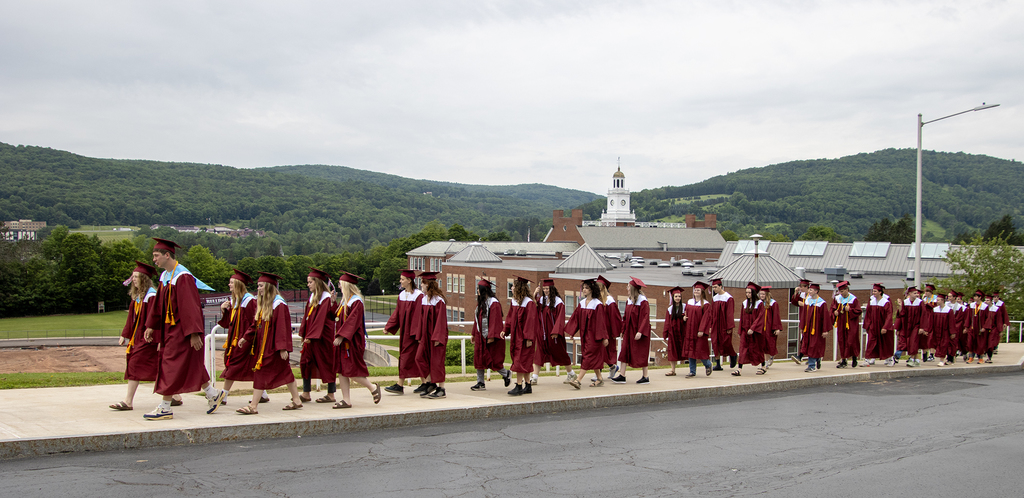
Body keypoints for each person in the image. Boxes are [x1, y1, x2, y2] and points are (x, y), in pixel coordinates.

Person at [142, 238, 225, 420]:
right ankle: (213, 394)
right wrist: (150, 325)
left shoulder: (183, 276)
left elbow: (190, 307)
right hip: (169, 330)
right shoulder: (165, 277)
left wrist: (194, 333)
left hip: (182, 331)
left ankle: (165, 407)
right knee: (192, 364)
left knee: (169, 365)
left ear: (167, 255)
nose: (154, 260)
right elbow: (158, 306)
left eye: (156, 256)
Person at [235, 272, 303, 414]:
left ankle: (253, 406)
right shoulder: (265, 304)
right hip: (264, 346)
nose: (258, 289)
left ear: (269, 287)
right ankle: (296, 400)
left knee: (260, 372)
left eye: (261, 286)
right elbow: (255, 324)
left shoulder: (279, 304)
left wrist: (283, 348)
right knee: (286, 372)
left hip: (273, 347)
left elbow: (282, 327)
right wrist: (245, 337)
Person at [110, 261, 164, 411]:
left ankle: (128, 401)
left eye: (136, 277)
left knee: (135, 364)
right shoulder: (138, 297)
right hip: (138, 338)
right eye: (132, 277)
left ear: (144, 278)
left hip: (149, 339)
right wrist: (125, 335)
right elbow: (131, 319)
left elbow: (157, 318)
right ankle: (175, 396)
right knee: (158, 367)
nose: (133, 279)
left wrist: (159, 339)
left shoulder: (151, 296)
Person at [217, 269, 267, 405]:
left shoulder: (249, 301)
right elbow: (230, 324)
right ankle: (263, 393)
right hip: (236, 340)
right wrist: (224, 310)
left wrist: (246, 337)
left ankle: (223, 395)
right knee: (251, 366)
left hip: (246, 341)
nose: (229, 285)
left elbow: (255, 321)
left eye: (232, 282)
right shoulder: (236, 301)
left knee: (233, 366)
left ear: (239, 284)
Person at [331, 272, 381, 408]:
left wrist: (341, 335)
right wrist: (332, 303)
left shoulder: (356, 301)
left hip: (351, 342)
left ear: (347, 285)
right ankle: (346, 400)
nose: (340, 288)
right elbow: (336, 318)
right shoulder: (344, 301)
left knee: (350, 371)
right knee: (341, 371)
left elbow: (352, 322)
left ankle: (372, 387)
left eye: (341, 285)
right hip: (343, 342)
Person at [297, 268, 337, 404]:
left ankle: (331, 394)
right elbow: (307, 318)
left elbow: (320, 319)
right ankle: (306, 393)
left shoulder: (325, 297)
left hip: (322, 338)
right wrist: (303, 332)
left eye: (310, 282)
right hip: (311, 337)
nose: (308, 285)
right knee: (305, 363)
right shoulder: (313, 297)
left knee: (326, 363)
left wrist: (311, 335)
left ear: (318, 282)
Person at [383, 270, 425, 394]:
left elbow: (418, 316)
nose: (400, 281)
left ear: (409, 280)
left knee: (408, 357)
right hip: (405, 333)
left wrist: (416, 333)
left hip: (413, 334)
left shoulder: (418, 295)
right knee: (411, 358)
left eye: (402, 279)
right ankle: (424, 383)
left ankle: (400, 385)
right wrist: (388, 327)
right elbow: (397, 313)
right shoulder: (402, 295)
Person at [565, 278, 608, 388]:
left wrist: (604, 337)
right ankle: (599, 379)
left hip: (594, 336)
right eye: (583, 288)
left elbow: (601, 322)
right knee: (590, 357)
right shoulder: (582, 303)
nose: (584, 290)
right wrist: (572, 332)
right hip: (584, 335)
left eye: (586, 288)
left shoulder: (597, 304)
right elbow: (576, 319)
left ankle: (578, 381)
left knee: (587, 356)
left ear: (592, 290)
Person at [470, 279, 511, 391]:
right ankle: (480, 382)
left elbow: (495, 321)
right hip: (480, 336)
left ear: (484, 290)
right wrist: (474, 333)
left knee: (493, 360)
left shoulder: (493, 303)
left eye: (478, 289)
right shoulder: (482, 303)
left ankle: (506, 373)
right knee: (479, 360)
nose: (477, 291)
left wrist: (491, 336)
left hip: (490, 337)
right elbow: (477, 320)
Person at [536, 279, 577, 386]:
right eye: (544, 289)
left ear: (552, 289)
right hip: (543, 333)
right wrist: (534, 294)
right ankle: (534, 377)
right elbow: (533, 310)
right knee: (539, 353)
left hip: (554, 334)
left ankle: (571, 373)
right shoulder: (541, 300)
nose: (545, 290)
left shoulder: (558, 302)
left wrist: (556, 332)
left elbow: (560, 318)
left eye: (547, 288)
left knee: (561, 353)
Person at [611, 277, 651, 384]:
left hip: (639, 331)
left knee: (641, 352)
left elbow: (645, 317)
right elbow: (625, 317)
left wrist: (640, 331)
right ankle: (622, 375)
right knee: (624, 351)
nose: (627, 288)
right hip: (629, 331)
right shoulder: (629, 300)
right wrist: (622, 330)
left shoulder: (643, 300)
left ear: (633, 288)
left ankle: (645, 376)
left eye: (628, 286)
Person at [416, 271, 449, 399]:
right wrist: (419, 336)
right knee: (420, 358)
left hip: (436, 336)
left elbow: (441, 321)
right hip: (425, 336)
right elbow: (420, 319)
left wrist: (437, 338)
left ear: (428, 285)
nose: (421, 286)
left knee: (437, 362)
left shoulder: (438, 300)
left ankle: (441, 388)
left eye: (423, 284)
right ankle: (430, 382)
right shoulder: (424, 299)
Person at [506, 276, 540, 395]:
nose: (512, 288)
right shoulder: (514, 301)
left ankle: (519, 386)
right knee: (523, 361)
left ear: (519, 288)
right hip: (516, 336)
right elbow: (509, 318)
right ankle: (528, 385)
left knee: (519, 361)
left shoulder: (529, 303)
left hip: (524, 338)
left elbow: (531, 322)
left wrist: (529, 338)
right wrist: (505, 330)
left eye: (514, 286)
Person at [733, 282, 766, 376]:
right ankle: (739, 369)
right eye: (746, 292)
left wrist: (753, 328)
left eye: (749, 293)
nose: (747, 294)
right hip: (745, 330)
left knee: (758, 349)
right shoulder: (744, 303)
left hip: (756, 332)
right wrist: (740, 330)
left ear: (754, 293)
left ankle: (763, 366)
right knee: (742, 348)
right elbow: (742, 317)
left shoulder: (759, 304)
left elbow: (760, 317)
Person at [707, 278, 737, 370]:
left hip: (724, 324)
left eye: (716, 287)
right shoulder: (715, 298)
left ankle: (733, 355)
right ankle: (718, 364)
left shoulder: (728, 298)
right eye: (713, 287)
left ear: (721, 286)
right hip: (716, 324)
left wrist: (729, 326)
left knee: (726, 342)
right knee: (715, 342)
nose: (714, 289)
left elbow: (730, 313)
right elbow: (712, 313)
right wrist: (711, 325)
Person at [798, 283, 829, 372]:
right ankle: (817, 359)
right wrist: (802, 327)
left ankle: (811, 365)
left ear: (816, 291)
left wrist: (825, 330)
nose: (809, 291)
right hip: (808, 328)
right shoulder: (807, 301)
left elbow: (825, 317)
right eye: (809, 290)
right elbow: (803, 315)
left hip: (817, 329)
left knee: (814, 346)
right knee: (808, 345)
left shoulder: (821, 303)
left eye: (811, 290)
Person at [596, 275, 623, 381]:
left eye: (598, 287)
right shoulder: (596, 299)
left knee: (605, 352)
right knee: (599, 351)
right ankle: (612, 367)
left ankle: (601, 373)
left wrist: (614, 332)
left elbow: (615, 317)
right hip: (598, 329)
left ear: (603, 288)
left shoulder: (609, 300)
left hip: (607, 331)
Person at [684, 281, 713, 378]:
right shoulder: (689, 302)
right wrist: (684, 317)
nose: (696, 291)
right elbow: (685, 313)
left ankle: (708, 364)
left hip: (699, 331)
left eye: (698, 290)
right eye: (695, 290)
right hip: (689, 330)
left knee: (700, 350)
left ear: (702, 292)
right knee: (691, 350)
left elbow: (706, 318)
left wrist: (701, 330)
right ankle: (692, 371)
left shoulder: (706, 304)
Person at [862, 283, 894, 367]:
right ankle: (867, 359)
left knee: (886, 342)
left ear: (880, 292)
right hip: (873, 326)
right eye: (873, 291)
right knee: (871, 342)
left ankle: (890, 359)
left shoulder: (886, 302)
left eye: (875, 291)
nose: (873, 293)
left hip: (883, 326)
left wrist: (886, 327)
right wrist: (867, 326)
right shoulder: (872, 301)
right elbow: (868, 314)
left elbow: (889, 316)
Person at [832, 281, 861, 368]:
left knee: (851, 341)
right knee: (842, 341)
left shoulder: (853, 299)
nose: (842, 293)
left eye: (843, 291)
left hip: (851, 324)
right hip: (841, 323)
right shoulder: (837, 299)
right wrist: (835, 312)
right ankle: (844, 360)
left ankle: (854, 357)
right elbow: (832, 308)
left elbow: (858, 311)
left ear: (847, 289)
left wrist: (850, 310)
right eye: (840, 291)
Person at [922, 291, 956, 366]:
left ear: (943, 301)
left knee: (943, 345)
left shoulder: (949, 310)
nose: (937, 301)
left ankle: (941, 360)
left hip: (945, 331)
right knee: (935, 344)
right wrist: (928, 330)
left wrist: (952, 332)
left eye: (938, 300)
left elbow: (951, 322)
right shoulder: (934, 310)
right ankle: (939, 358)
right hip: (936, 331)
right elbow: (930, 321)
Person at [893, 287, 922, 366]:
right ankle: (916, 360)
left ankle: (912, 359)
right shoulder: (905, 302)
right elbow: (901, 315)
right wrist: (900, 305)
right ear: (909, 294)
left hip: (916, 325)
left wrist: (922, 327)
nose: (916, 294)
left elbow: (923, 316)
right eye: (914, 293)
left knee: (913, 342)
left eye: (917, 293)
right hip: (906, 326)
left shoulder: (920, 302)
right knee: (906, 342)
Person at [662, 287, 686, 376]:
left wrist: (684, 318)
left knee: (685, 349)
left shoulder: (685, 306)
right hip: (673, 333)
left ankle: (692, 369)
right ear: (673, 297)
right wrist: (665, 333)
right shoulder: (669, 309)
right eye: (676, 296)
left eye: (679, 296)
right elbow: (667, 322)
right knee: (672, 351)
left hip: (682, 332)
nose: (678, 298)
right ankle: (672, 370)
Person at [759, 286, 784, 369]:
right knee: (763, 345)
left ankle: (771, 356)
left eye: (763, 294)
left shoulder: (773, 303)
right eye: (760, 294)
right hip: (761, 328)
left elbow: (776, 316)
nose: (761, 296)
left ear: (767, 294)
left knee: (770, 345)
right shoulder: (759, 303)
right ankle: (765, 363)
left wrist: (777, 328)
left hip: (770, 328)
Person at [789, 278, 811, 365]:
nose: (800, 288)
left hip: (810, 321)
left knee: (808, 340)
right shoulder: (802, 295)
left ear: (806, 287)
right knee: (804, 339)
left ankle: (802, 356)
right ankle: (805, 357)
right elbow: (794, 302)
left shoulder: (811, 296)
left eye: (801, 287)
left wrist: (804, 305)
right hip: (803, 319)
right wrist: (796, 293)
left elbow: (814, 308)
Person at [920, 284, 938, 362]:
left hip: (933, 318)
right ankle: (925, 354)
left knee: (931, 337)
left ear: (931, 292)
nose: (926, 293)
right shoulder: (925, 299)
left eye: (927, 291)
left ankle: (931, 354)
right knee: (924, 337)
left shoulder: (936, 298)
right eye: (925, 291)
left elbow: (935, 307)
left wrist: (926, 303)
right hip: (925, 319)